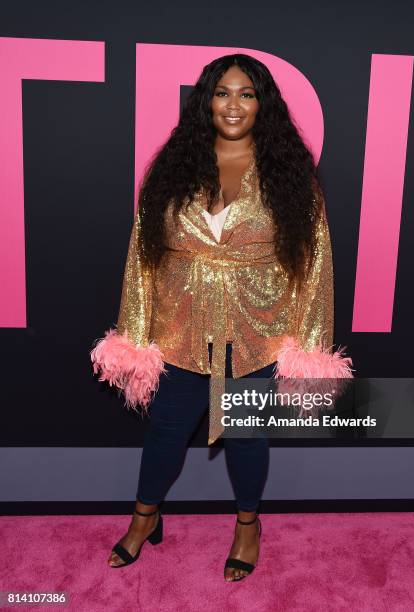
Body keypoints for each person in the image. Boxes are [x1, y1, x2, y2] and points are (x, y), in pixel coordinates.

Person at [90, 53, 354, 581]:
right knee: (165, 433)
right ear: (206, 100)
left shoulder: (291, 175)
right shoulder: (172, 168)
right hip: (182, 329)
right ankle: (145, 518)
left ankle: (248, 527)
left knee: (246, 436)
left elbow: (314, 262)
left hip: (256, 330)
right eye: (223, 93)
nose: (234, 105)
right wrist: (138, 335)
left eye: (247, 93)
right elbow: (142, 256)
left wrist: (307, 343)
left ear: (264, 104)